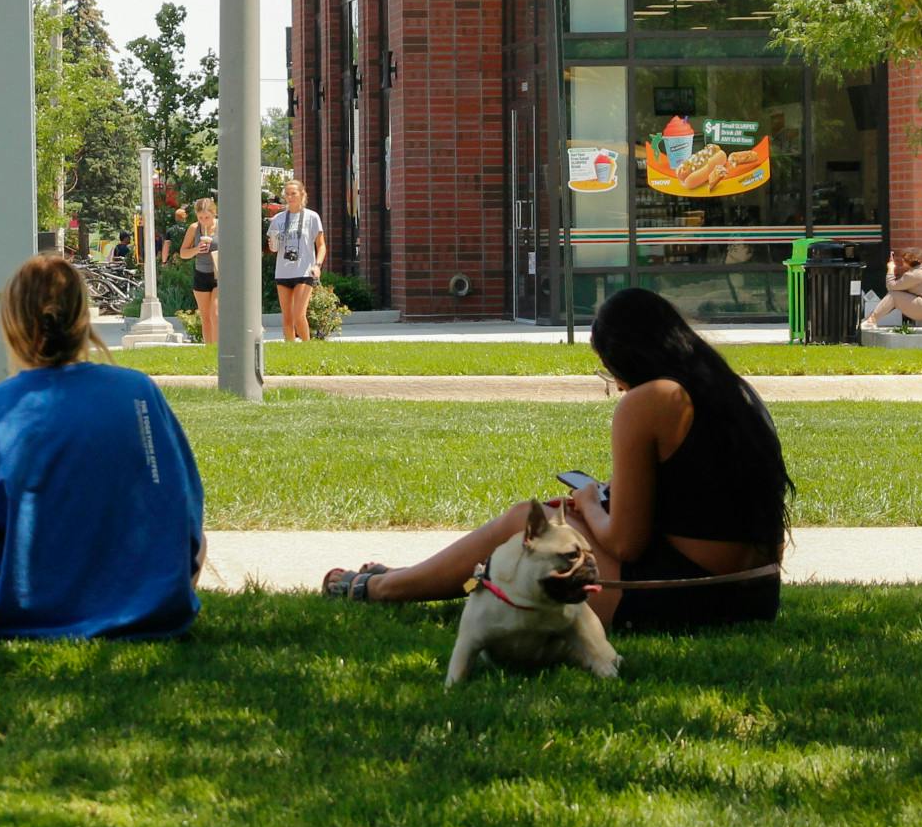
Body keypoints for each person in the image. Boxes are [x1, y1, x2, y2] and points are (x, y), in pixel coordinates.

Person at [322, 287, 791, 634]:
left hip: (688, 596)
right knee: (552, 520)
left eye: (608, 370)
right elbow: (694, 505)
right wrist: (598, 502)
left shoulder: (648, 401)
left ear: (624, 360)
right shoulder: (730, 391)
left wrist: (589, 502)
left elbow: (626, 543)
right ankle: (406, 579)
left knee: (528, 522)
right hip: (755, 592)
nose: (615, 382)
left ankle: (383, 588)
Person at [0, 254, 206, 638]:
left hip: (28, 610)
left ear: (9, 325)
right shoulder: (139, 391)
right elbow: (185, 509)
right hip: (150, 606)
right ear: (83, 321)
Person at [266, 180, 326, 342]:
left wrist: (317, 265)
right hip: (283, 272)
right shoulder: (278, 219)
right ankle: (290, 350)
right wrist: (273, 243)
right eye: (287, 193)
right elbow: (273, 248)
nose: (290, 197)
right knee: (287, 318)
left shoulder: (312, 217)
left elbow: (321, 246)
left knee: (299, 315)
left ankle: (307, 348)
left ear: (302, 194)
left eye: (294, 193)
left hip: (304, 271)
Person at [864, 248, 922, 329]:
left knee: (893, 296)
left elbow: (891, 286)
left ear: (910, 261)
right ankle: (870, 319)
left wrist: (891, 268)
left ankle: (871, 320)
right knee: (895, 295)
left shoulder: (915, 274)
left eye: (904, 260)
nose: (902, 262)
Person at [179, 197, 220, 346]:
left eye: (207, 217)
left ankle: (218, 351)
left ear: (214, 213)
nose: (204, 220)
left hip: (219, 275)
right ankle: (210, 352)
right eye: (200, 217)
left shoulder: (223, 226)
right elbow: (183, 253)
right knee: (206, 317)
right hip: (201, 273)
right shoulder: (194, 228)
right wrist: (196, 250)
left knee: (215, 314)